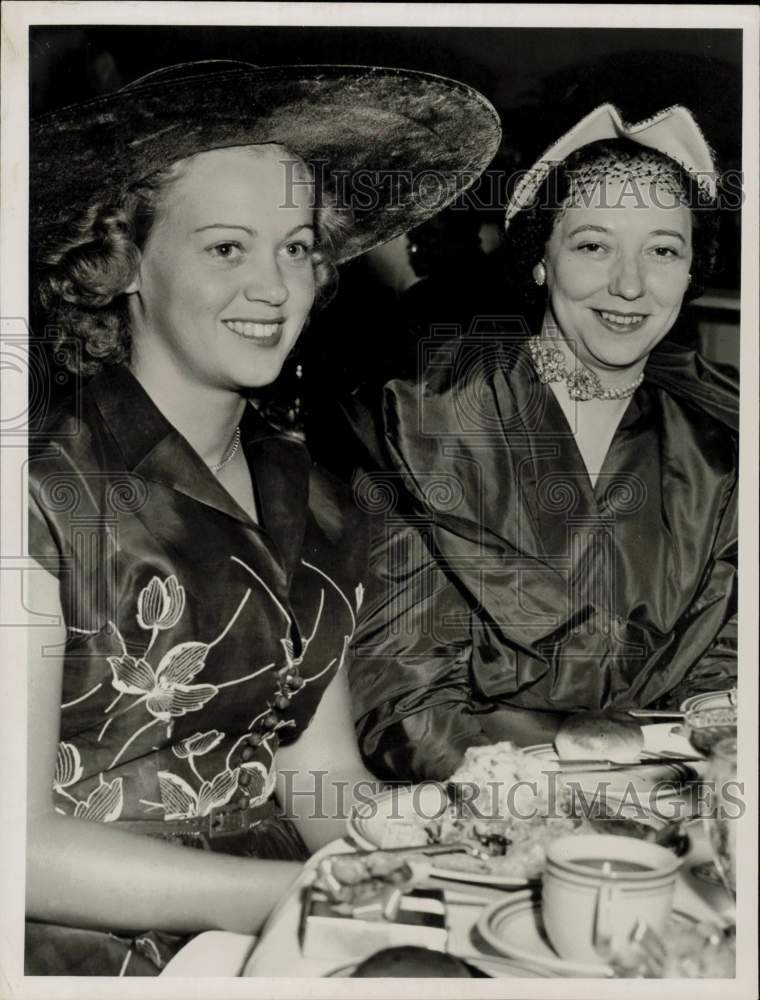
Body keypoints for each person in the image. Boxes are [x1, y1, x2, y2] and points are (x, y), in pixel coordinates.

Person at [25, 60, 501, 974]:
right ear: (124, 264)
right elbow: (18, 848)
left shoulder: (313, 492)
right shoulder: (40, 487)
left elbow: (308, 778)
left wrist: (447, 834)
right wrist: (318, 892)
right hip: (86, 949)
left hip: (279, 923)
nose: (277, 288)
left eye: (295, 248)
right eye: (226, 248)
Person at [346, 104, 738, 782]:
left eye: (663, 250)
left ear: (691, 272)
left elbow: (727, 683)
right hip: (480, 818)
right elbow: (404, 707)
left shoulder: (721, 452)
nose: (630, 285)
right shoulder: (422, 426)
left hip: (674, 817)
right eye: (593, 245)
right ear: (539, 258)